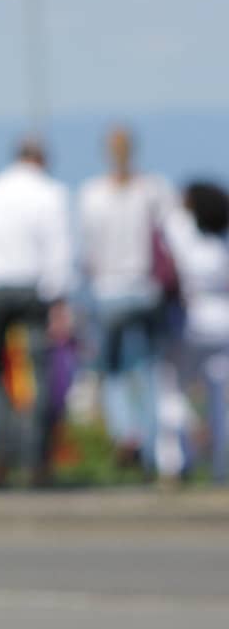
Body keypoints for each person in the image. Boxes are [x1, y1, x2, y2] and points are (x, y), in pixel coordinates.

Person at [0, 138, 73, 487]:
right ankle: (35, 461)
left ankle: (0, 459)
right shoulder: (50, 193)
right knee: (37, 375)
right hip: (33, 290)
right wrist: (60, 301)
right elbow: (59, 249)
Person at [76, 126, 176, 468]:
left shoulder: (92, 194)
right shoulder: (153, 189)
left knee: (112, 370)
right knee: (146, 368)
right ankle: (149, 445)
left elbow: (86, 251)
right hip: (146, 291)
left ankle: (126, 433)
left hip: (107, 292)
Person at [162, 182, 229, 484]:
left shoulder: (182, 233)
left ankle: (175, 460)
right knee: (220, 398)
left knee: (173, 389)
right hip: (223, 324)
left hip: (191, 322)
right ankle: (221, 465)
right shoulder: (222, 241)